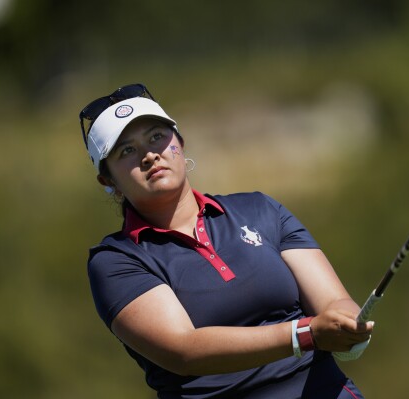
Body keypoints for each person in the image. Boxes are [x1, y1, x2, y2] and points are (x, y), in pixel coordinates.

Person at [79, 83, 374, 399]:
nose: (150, 155)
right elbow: (183, 350)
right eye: (127, 151)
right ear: (108, 180)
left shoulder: (260, 209)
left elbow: (332, 300)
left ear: (180, 141)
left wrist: (346, 324)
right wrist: (304, 334)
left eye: (156, 137)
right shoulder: (116, 260)